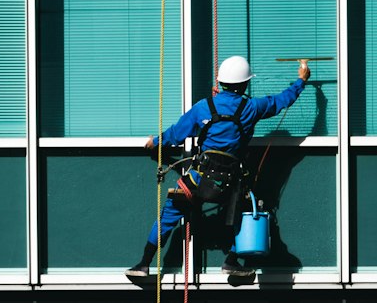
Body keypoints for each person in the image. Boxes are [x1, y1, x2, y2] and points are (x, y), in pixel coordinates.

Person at [126, 56, 311, 280]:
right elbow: (282, 100)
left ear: (221, 82)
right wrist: (301, 80)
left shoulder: (203, 107)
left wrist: (155, 142)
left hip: (197, 178)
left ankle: (144, 264)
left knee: (168, 215)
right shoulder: (251, 107)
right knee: (245, 212)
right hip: (229, 183)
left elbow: (176, 134)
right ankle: (231, 262)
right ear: (245, 84)